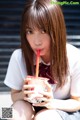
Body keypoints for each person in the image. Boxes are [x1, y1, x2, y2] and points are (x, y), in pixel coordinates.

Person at [4, 0, 80, 120]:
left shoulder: (75, 56)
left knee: (44, 117)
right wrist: (24, 94)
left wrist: (51, 102)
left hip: (65, 110)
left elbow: (77, 102)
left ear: (57, 30)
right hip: (30, 106)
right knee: (8, 113)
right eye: (30, 31)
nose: (36, 41)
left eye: (44, 31)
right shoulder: (18, 56)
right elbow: (13, 95)